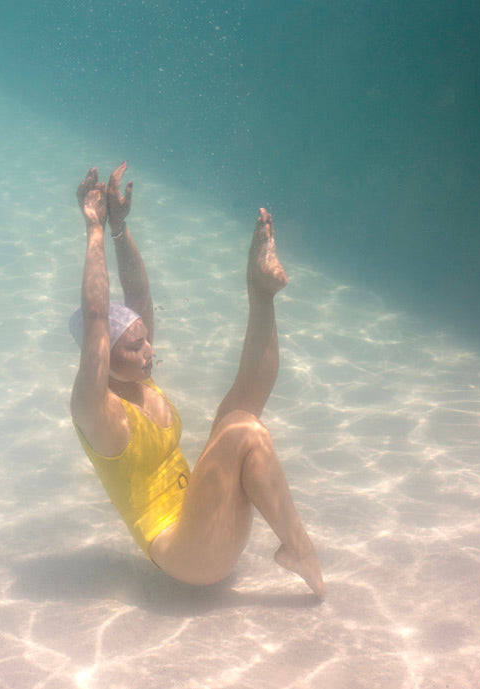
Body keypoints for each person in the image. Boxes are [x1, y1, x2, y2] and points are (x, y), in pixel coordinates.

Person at [69, 162, 325, 600]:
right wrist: (93, 228)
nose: (150, 349)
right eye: (135, 345)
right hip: (185, 556)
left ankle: (260, 292)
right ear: (104, 358)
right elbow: (97, 319)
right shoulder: (98, 411)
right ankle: (299, 548)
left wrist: (118, 229)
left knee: (239, 412)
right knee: (244, 430)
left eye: (146, 339)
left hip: (205, 520)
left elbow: (140, 296)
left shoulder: (140, 376)